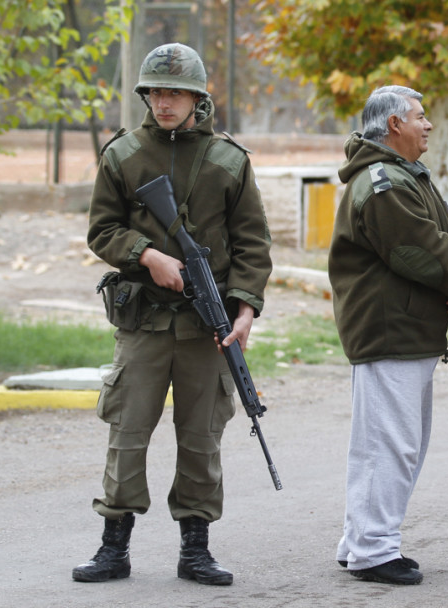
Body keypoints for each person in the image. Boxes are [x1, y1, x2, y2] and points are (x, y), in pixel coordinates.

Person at [72, 43, 272, 586]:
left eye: (175, 93)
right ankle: (114, 546)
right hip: (143, 323)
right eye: (156, 92)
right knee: (127, 431)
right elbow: (102, 230)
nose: (164, 102)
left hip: (208, 328)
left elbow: (253, 244)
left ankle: (196, 547)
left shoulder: (229, 161)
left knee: (203, 437)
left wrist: (246, 307)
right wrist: (148, 255)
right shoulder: (124, 154)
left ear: (196, 98)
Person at [329, 85, 448, 585]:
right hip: (389, 328)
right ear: (394, 124)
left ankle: (361, 541)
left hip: (405, 328)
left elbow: (438, 242)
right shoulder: (383, 182)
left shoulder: (396, 175)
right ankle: (373, 549)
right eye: (420, 117)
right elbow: (420, 251)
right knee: (389, 444)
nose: (429, 125)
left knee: (389, 441)